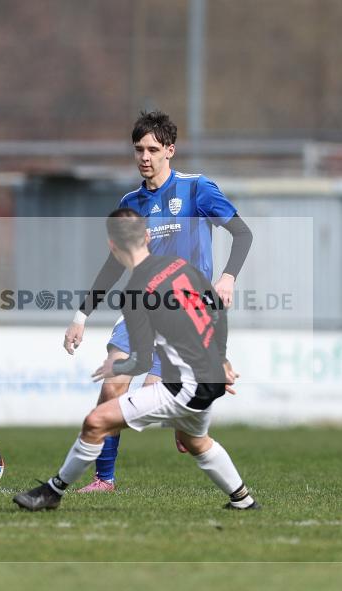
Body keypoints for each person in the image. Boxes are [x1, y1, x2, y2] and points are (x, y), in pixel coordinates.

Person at [14, 209, 259, 511]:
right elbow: (215, 311)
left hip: (184, 387)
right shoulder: (179, 266)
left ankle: (52, 492)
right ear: (147, 237)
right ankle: (244, 500)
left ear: (112, 247)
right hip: (207, 381)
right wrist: (220, 359)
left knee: (95, 421)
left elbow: (141, 361)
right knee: (196, 441)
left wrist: (114, 367)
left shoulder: (134, 293)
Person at [64, 110, 253, 492]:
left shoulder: (197, 189)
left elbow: (242, 233)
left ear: (170, 150)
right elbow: (113, 264)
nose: (144, 157)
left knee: (178, 428)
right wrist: (81, 315)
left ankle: (192, 423)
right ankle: (104, 479)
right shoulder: (130, 202)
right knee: (112, 386)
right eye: (139, 149)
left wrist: (228, 277)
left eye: (152, 149)